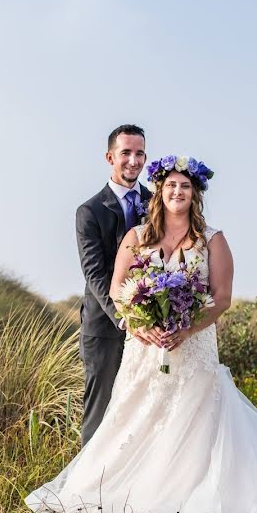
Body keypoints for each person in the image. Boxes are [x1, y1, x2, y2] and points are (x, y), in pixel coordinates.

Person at [26, 156, 257, 513]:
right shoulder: (137, 237)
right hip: (144, 349)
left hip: (193, 349)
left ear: (195, 195)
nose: (178, 192)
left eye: (186, 187)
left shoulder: (213, 240)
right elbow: (117, 292)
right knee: (136, 416)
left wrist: (185, 330)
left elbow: (221, 298)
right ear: (159, 191)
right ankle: (127, 492)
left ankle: (192, 496)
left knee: (194, 421)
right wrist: (142, 326)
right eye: (171, 185)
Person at [75, 124, 153, 446]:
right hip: (105, 326)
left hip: (151, 329)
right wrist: (126, 317)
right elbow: (94, 274)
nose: (133, 161)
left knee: (142, 411)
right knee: (99, 413)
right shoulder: (89, 211)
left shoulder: (158, 202)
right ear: (110, 157)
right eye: (126, 153)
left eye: (139, 154)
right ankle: (86, 490)